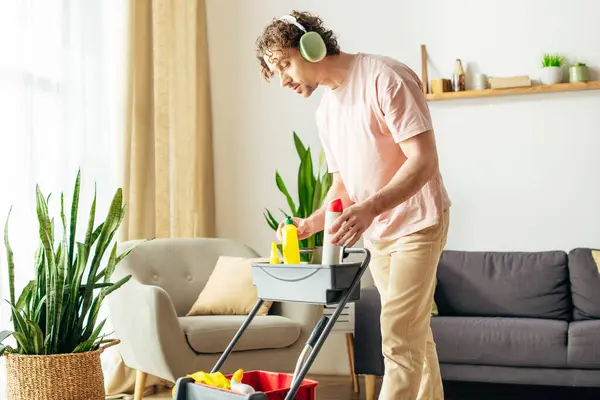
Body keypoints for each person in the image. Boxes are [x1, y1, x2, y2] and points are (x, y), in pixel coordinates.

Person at [255, 10, 451, 400]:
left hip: (417, 223)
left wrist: (370, 208)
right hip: (379, 232)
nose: (283, 80)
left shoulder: (385, 78)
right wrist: (313, 222)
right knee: (414, 335)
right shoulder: (327, 110)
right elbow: (341, 182)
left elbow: (423, 160)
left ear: (311, 46)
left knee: (397, 337)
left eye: (285, 66)